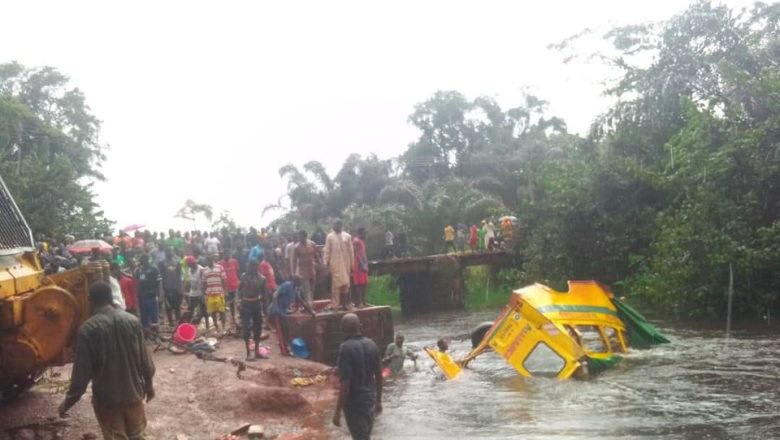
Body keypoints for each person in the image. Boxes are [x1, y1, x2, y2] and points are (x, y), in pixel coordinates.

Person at [58, 281, 155, 439]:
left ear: (90, 300)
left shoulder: (87, 329)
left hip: (107, 401)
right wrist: (149, 387)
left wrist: (67, 403)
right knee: (138, 436)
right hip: (134, 395)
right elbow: (146, 361)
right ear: (111, 298)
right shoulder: (132, 321)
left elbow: (81, 376)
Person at [333, 313, 382, 440]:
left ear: (342, 328)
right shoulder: (372, 344)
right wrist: (379, 401)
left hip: (355, 402)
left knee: (361, 437)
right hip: (370, 399)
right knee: (365, 435)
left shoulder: (345, 348)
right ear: (359, 326)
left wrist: (337, 411)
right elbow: (379, 376)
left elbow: (345, 385)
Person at [268, 276, 315, 355]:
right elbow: (275, 295)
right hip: (276, 310)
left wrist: (311, 312)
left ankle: (286, 347)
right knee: (281, 330)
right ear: (295, 281)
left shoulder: (294, 289)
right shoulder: (287, 285)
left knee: (286, 329)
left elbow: (301, 301)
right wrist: (276, 308)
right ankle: (284, 350)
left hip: (283, 311)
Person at [239, 260, 267, 361]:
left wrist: (265, 309)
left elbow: (264, 295)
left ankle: (256, 351)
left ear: (256, 267)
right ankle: (248, 353)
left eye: (251, 266)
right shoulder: (243, 276)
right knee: (247, 328)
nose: (249, 268)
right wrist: (240, 303)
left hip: (256, 304)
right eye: (249, 266)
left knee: (257, 328)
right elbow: (239, 290)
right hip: (246, 304)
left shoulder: (262, 279)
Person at [324, 219, 354, 310]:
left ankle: (345, 304)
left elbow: (351, 251)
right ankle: (335, 305)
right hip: (335, 264)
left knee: (346, 284)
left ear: (340, 225)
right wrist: (326, 263)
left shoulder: (347, 236)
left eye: (336, 224)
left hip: (346, 264)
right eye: (333, 224)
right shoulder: (330, 236)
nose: (334, 226)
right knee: (336, 286)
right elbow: (327, 251)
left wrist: (352, 264)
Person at [292, 230, 320, 308]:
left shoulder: (312, 244)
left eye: (301, 236)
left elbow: (316, 255)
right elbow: (294, 261)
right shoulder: (297, 247)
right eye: (299, 237)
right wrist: (294, 273)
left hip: (312, 270)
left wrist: (319, 265)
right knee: (306, 290)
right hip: (302, 272)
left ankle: (309, 305)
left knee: (312, 290)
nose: (299, 238)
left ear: (305, 236)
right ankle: (310, 307)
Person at [135, 254, 161, 336]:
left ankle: (155, 333)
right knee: (144, 316)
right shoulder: (138, 270)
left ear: (147, 260)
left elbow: (159, 282)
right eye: (141, 260)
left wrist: (159, 296)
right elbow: (136, 281)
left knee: (154, 315)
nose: (142, 262)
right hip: (142, 297)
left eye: (143, 260)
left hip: (151, 295)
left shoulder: (154, 268)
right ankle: (147, 334)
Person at [201, 256, 227, 332]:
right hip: (210, 294)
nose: (208, 261)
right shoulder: (204, 270)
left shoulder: (220, 267)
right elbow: (203, 282)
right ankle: (216, 327)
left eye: (210, 259)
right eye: (207, 260)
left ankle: (223, 327)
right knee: (213, 312)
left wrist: (225, 291)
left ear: (213, 260)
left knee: (222, 311)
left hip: (219, 292)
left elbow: (224, 280)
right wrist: (205, 293)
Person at [158, 249, 183, 327]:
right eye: (168, 252)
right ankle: (171, 322)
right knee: (168, 306)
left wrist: (180, 286)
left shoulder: (177, 262)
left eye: (171, 251)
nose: (170, 253)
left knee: (177, 305)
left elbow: (180, 274)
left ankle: (178, 321)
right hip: (167, 287)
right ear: (165, 253)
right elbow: (161, 276)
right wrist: (162, 289)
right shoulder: (162, 263)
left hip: (176, 286)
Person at [185, 256, 208, 330]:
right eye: (189, 264)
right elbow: (189, 281)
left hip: (200, 293)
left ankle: (207, 324)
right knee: (191, 309)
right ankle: (189, 325)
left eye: (191, 263)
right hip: (193, 292)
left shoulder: (201, 269)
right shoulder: (189, 270)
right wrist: (186, 291)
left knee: (204, 309)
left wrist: (204, 293)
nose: (190, 265)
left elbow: (204, 282)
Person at [219, 250, 241, 326]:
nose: (227, 256)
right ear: (223, 255)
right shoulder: (220, 264)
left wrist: (239, 281)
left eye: (228, 254)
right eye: (226, 254)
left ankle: (236, 317)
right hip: (226, 287)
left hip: (235, 285)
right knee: (226, 303)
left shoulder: (234, 261)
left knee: (237, 302)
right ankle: (228, 317)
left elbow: (238, 272)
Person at [352, 227, 369, 308]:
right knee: (359, 284)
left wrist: (365, 264)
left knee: (364, 283)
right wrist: (362, 265)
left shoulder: (362, 241)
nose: (365, 234)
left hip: (363, 263)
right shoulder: (356, 241)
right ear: (360, 232)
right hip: (358, 264)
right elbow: (356, 254)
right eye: (364, 232)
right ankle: (359, 302)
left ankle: (363, 301)